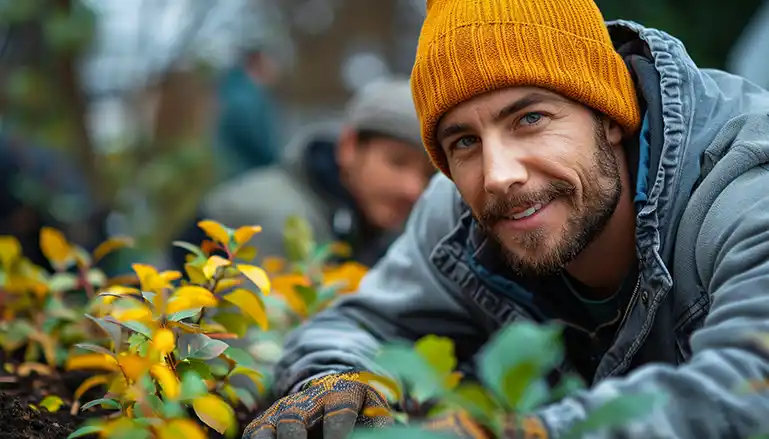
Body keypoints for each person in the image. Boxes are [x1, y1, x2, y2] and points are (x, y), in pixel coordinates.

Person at [242, 0, 769, 438]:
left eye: (530, 118)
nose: (497, 175)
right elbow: (354, 325)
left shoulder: (745, 184)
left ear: (610, 115)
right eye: (465, 141)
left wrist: (523, 433)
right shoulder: (456, 218)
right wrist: (338, 380)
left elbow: (751, 388)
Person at [174, 77, 434, 268]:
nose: (412, 189)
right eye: (397, 162)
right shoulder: (275, 221)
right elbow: (258, 341)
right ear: (349, 147)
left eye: (427, 174)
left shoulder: (364, 219)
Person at [213, 45, 282, 183]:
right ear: (260, 64)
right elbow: (260, 144)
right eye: (272, 63)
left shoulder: (238, 93)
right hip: (245, 180)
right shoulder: (244, 100)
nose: (276, 69)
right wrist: (279, 163)